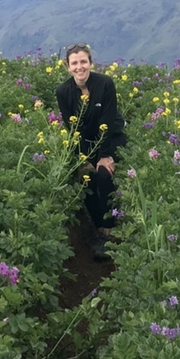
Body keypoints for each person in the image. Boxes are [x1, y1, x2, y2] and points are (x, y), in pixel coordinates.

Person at [55, 43, 127, 260]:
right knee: (86, 178)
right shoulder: (63, 91)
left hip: (111, 138)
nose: (80, 67)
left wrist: (104, 155)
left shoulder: (105, 84)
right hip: (86, 142)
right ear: (68, 67)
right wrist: (83, 158)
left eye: (83, 62)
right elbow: (72, 128)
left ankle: (109, 226)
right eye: (74, 63)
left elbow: (107, 119)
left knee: (105, 175)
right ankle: (97, 225)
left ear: (91, 63)